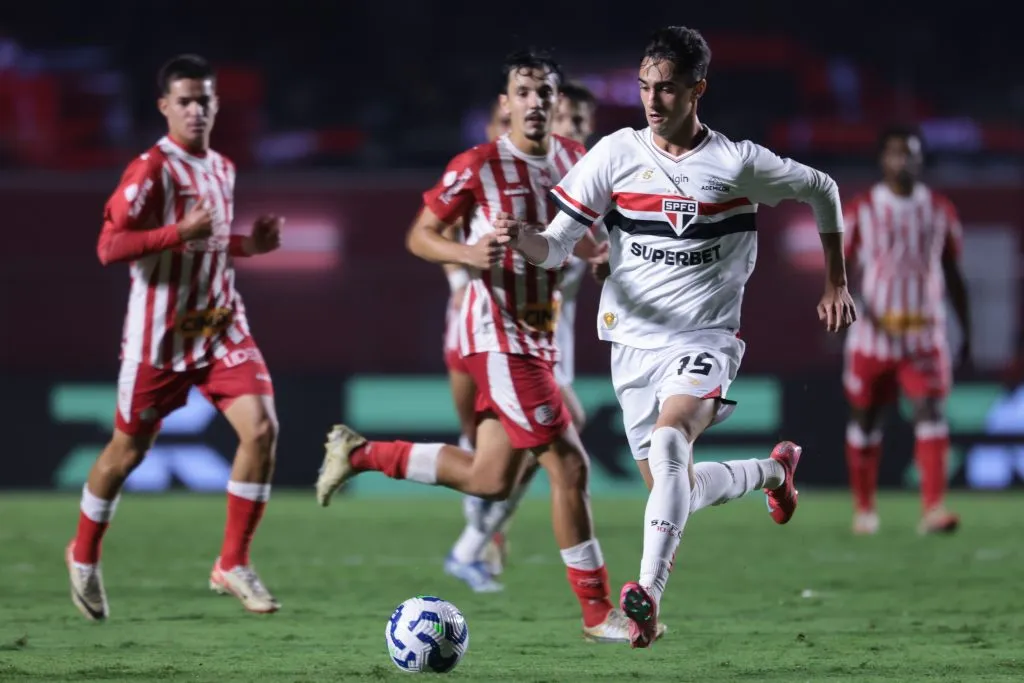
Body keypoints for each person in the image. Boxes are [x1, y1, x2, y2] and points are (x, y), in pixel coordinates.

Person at [491, 26, 857, 648]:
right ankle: (772, 473)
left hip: (705, 339)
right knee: (674, 485)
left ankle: (647, 599)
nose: (653, 100)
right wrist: (517, 237)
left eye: (666, 88)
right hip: (631, 347)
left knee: (670, 440)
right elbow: (553, 248)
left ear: (697, 90)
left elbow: (823, 189)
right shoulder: (613, 154)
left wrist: (835, 282)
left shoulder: (738, 162)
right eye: (644, 87)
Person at [316, 48, 647, 644]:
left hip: (538, 338)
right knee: (569, 464)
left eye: (545, 92)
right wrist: (468, 254)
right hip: (494, 336)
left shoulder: (577, 160)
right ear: (505, 104)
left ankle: (359, 454)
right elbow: (420, 235)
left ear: (557, 102)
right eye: (524, 92)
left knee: (492, 478)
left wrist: (602, 260)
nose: (536, 103)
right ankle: (598, 613)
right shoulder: (478, 165)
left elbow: (591, 239)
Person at [66, 54, 284, 621]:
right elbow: (108, 246)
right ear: (165, 106)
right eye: (184, 100)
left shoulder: (223, 168)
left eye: (204, 99)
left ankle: (232, 562)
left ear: (215, 105)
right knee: (125, 454)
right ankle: (83, 554)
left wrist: (249, 248)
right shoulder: (151, 171)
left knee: (261, 429)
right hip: (159, 341)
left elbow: (207, 245)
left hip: (219, 326)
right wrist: (175, 231)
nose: (195, 109)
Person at [448, 80, 602, 580]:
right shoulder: (521, 184)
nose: (574, 128)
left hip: (551, 346)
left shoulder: (592, 190)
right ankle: (478, 538)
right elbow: (454, 229)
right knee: (560, 445)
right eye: (567, 119)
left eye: (581, 121)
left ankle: (476, 540)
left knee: (504, 468)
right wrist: (462, 271)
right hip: (504, 339)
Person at [842, 125, 970, 536]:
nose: (903, 161)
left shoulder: (939, 210)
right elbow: (839, 271)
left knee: (931, 414)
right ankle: (865, 508)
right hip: (872, 336)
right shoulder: (861, 210)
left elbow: (952, 272)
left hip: (924, 335)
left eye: (911, 154)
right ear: (882, 160)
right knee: (866, 420)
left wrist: (967, 329)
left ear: (921, 160)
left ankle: (933, 508)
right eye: (896, 154)